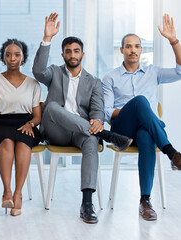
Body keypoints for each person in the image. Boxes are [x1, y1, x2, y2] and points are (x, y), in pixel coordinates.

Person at [32, 13, 132, 224]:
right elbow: (37, 70)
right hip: (56, 130)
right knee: (50, 107)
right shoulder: (54, 73)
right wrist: (46, 38)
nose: (72, 54)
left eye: (76, 51)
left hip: (81, 132)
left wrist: (97, 121)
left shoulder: (94, 82)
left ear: (83, 54)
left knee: (91, 139)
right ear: (63, 55)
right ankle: (108, 135)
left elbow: (97, 109)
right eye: (68, 51)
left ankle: (87, 203)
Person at [102, 13, 181, 221]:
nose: (133, 50)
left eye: (137, 46)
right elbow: (108, 112)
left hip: (146, 129)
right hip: (122, 131)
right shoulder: (110, 77)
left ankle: (145, 201)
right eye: (128, 46)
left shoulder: (153, 72)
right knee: (140, 102)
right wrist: (134, 110)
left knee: (146, 135)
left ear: (141, 50)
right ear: (122, 50)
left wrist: (174, 42)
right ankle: (171, 152)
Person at [0, 39, 42, 216]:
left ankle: (18, 193)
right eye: (8, 54)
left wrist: (31, 124)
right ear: (3, 58)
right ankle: (7, 191)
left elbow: (37, 116)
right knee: (6, 142)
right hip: (2, 123)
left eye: (17, 54)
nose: (12, 58)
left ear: (23, 58)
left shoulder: (33, 84)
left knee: (22, 144)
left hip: (26, 123)